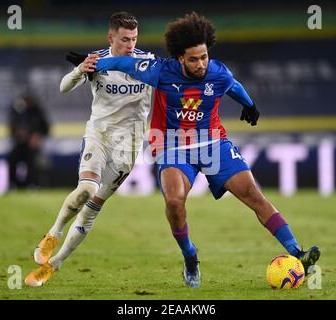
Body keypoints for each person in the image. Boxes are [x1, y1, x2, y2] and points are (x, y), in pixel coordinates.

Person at [92, 12, 320, 288]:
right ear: (179, 58)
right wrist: (91, 63)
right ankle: (190, 255)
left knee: (254, 195)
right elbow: (122, 61)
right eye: (193, 59)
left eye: (204, 57)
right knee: (175, 202)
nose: (201, 64)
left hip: (213, 143)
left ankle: (298, 253)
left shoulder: (217, 72)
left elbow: (233, 86)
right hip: (172, 145)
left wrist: (249, 105)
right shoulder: (160, 71)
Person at [25, 12, 154, 287]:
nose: (130, 45)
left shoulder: (148, 63)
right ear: (111, 37)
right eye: (124, 39)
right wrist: (79, 71)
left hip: (129, 146)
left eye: (134, 39)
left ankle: (55, 263)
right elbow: (62, 88)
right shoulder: (96, 60)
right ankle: (53, 232)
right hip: (99, 136)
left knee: (93, 208)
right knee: (86, 189)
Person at [7, 93, 50, 189]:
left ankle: (33, 185)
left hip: (32, 146)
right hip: (20, 144)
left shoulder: (37, 112)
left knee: (34, 163)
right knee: (12, 160)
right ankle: (15, 185)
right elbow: (12, 128)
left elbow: (46, 128)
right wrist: (18, 133)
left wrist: (37, 136)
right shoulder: (17, 111)